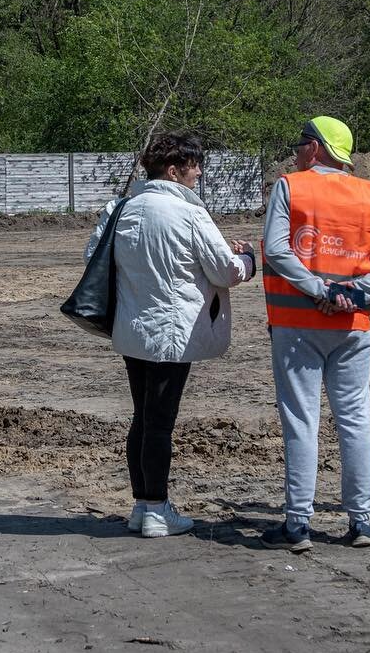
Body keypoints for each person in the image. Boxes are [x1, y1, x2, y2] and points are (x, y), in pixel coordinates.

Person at [87, 131, 257, 539]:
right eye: (195, 165)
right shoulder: (189, 214)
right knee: (159, 423)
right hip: (173, 335)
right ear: (174, 169)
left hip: (131, 331)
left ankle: (143, 507)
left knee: (143, 418)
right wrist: (248, 259)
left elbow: (94, 259)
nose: (199, 173)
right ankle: (158, 510)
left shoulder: (119, 208)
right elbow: (224, 272)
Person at [260, 116, 370, 552]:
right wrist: (354, 295)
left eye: (301, 141)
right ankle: (361, 521)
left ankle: (298, 525)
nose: (296, 150)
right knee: (356, 420)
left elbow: (276, 249)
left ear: (318, 147)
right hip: (352, 327)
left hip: (297, 324)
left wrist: (320, 291)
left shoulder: (291, 186)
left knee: (301, 421)